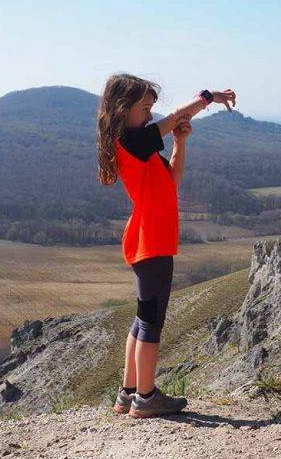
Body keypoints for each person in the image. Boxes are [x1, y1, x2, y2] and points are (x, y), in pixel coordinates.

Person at [97, 73, 236, 417]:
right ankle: (146, 397)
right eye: (144, 108)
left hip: (148, 236)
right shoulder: (129, 140)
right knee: (152, 321)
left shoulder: (139, 147)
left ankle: (129, 393)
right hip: (152, 238)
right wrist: (209, 96)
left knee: (143, 317)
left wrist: (180, 144)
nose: (148, 115)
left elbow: (171, 180)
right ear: (122, 109)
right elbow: (174, 117)